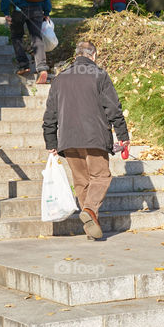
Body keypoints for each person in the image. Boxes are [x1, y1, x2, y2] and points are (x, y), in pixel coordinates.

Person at [42, 41, 130, 240]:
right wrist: (123, 136)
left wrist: (51, 142)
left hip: (68, 139)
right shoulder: (99, 75)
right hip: (95, 137)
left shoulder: (60, 78)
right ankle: (90, 210)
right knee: (101, 176)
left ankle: (92, 226)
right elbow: (113, 109)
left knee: (82, 181)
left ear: (76, 55)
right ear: (93, 56)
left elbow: (50, 115)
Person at [0, 0, 51, 84]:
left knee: (17, 36)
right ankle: (42, 68)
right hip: (37, 8)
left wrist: (5, 10)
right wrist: (46, 11)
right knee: (37, 37)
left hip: (19, 9)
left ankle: (24, 65)